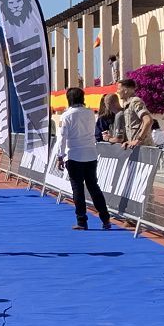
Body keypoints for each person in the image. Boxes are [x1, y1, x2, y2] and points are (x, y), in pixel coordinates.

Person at [57, 88, 112, 231]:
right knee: (94, 187)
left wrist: (59, 156)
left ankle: (81, 220)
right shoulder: (90, 113)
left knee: (78, 189)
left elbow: (62, 138)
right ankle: (105, 218)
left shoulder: (66, 116)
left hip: (74, 155)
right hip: (90, 154)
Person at [116, 79, 153, 149]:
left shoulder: (135, 101)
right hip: (137, 149)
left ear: (126, 90)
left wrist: (138, 140)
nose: (117, 92)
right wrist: (129, 142)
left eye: (119, 89)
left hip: (144, 148)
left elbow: (148, 120)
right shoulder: (127, 104)